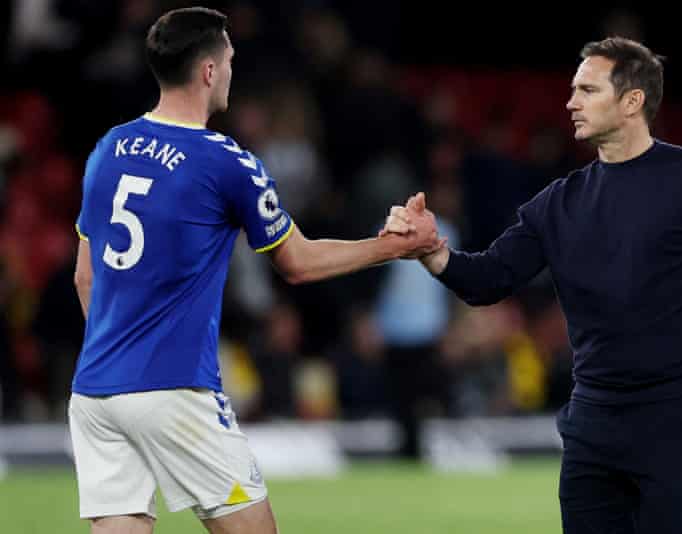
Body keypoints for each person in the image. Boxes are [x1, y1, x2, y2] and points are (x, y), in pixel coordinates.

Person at [383, 37, 682, 534]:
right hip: (592, 423)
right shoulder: (559, 202)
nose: (570, 102)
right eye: (573, 89)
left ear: (632, 101)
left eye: (587, 90)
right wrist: (432, 252)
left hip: (680, 420)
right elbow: (487, 280)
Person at [69, 7, 440, 534]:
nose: (232, 69)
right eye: (229, 58)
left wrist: (116, 356)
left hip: (95, 389)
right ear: (208, 71)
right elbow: (299, 263)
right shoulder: (225, 161)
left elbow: (86, 277)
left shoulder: (108, 149)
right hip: (174, 389)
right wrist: (393, 247)